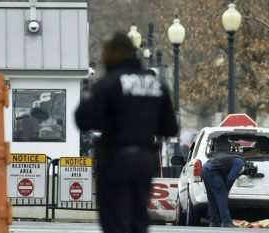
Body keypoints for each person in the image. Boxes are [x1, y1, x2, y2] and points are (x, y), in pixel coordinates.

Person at [75, 33, 178, 233]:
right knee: (138, 219)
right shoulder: (157, 86)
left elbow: (83, 119)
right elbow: (170, 128)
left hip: (114, 160)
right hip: (145, 161)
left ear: (112, 55)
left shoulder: (109, 83)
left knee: (114, 220)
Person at [201, 137, 245, 228]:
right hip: (212, 171)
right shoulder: (240, 162)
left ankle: (214, 222)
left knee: (212, 197)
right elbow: (230, 178)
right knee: (221, 197)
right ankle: (226, 222)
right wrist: (225, 191)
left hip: (205, 169)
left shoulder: (229, 158)